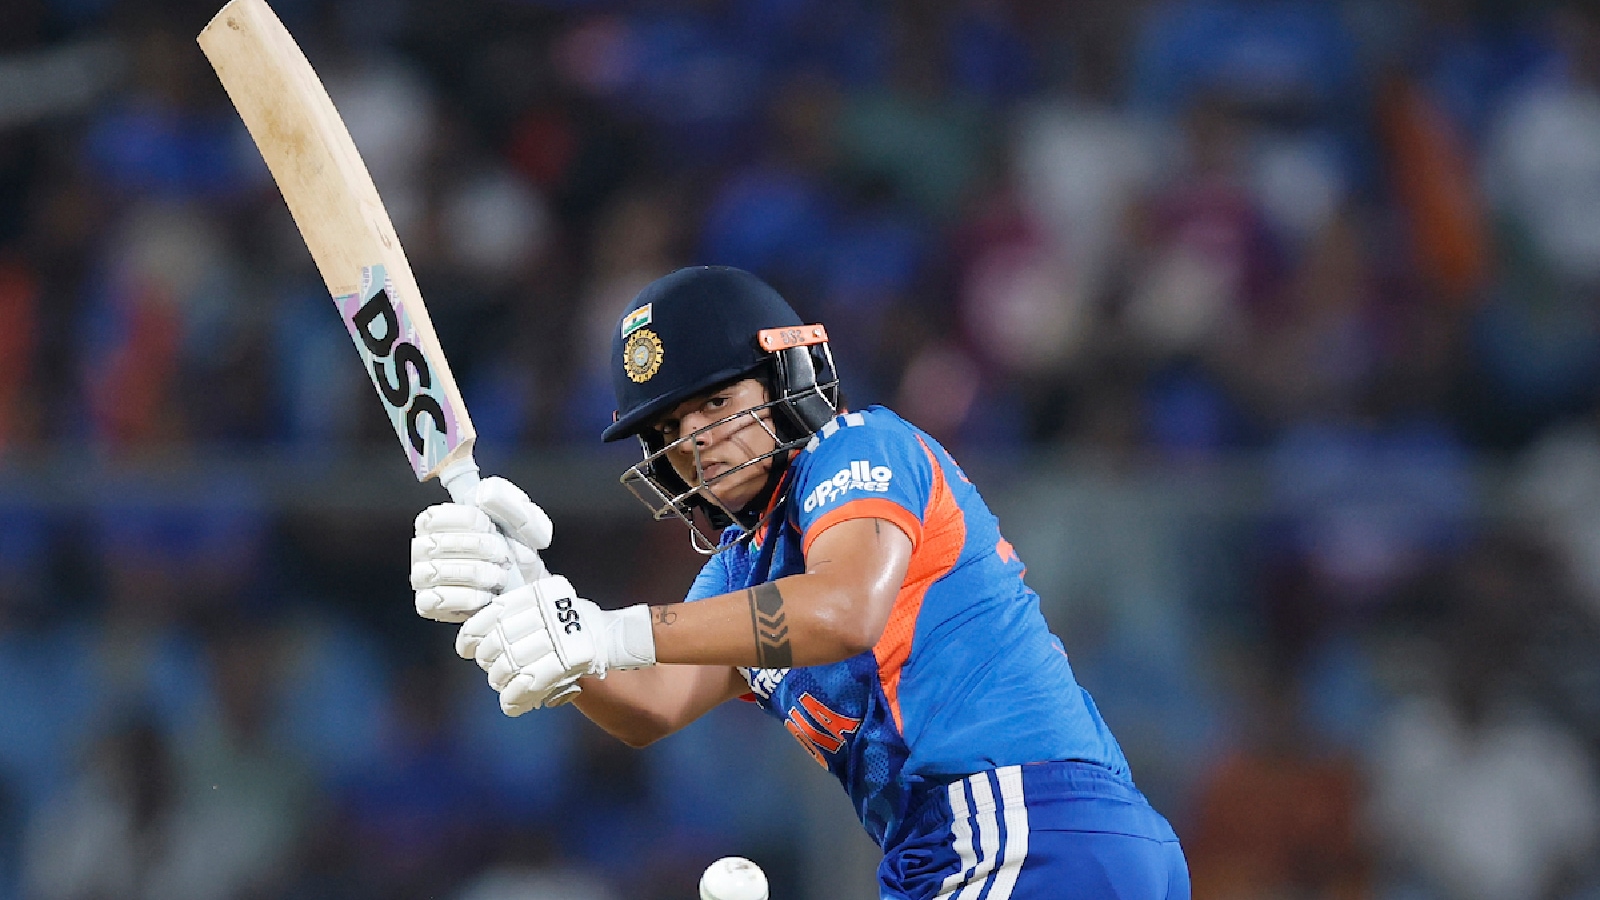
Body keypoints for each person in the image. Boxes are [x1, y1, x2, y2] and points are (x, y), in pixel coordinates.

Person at [408, 266, 1190, 899]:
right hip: (997, 848)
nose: (696, 442)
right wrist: (532, 599)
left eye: (717, 402)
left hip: (1019, 827)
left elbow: (844, 610)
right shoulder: (741, 568)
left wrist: (607, 629)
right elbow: (651, 704)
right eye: (670, 428)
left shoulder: (860, 445)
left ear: (787, 378)